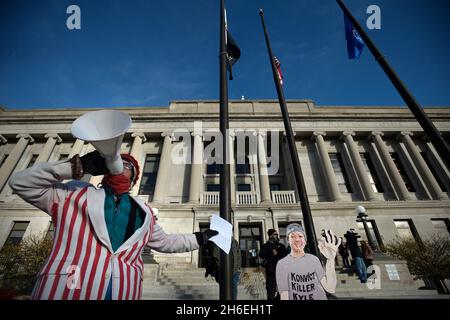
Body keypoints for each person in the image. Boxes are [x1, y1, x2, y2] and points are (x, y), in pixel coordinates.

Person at [8, 150, 217, 300]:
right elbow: (21, 182)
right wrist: (73, 167)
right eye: (117, 163)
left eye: (128, 166)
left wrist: (200, 237)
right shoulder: (72, 193)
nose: (121, 167)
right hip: (69, 287)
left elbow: (166, 242)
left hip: (122, 288)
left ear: (134, 178)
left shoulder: (143, 211)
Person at [275, 224, 341, 300]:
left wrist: (330, 260)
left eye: (300, 236)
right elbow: (284, 295)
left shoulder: (313, 260)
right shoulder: (282, 264)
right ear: (288, 240)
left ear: (305, 240)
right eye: (292, 237)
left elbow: (330, 288)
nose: (297, 240)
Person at [259, 229, 288, 300]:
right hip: (271, 273)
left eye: (277, 235)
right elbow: (261, 255)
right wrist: (270, 252)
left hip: (281, 273)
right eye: (275, 234)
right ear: (270, 235)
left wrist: (278, 252)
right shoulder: (265, 246)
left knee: (282, 293)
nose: (277, 236)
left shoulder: (281, 246)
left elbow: (286, 255)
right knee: (271, 293)